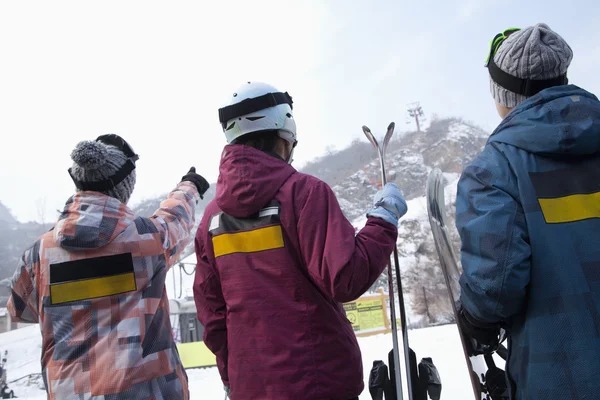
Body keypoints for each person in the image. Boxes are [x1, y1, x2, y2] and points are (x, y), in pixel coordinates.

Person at [193, 81, 408, 400]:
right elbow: (346, 278)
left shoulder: (211, 218)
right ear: (285, 134)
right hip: (320, 382)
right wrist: (383, 220)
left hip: (250, 388)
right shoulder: (305, 194)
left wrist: (231, 376)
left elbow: (212, 313)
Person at [456, 23, 600, 399]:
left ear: (504, 95)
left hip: (561, 375)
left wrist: (475, 319)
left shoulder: (493, 170)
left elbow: (496, 286)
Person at [7, 134, 209, 399]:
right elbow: (177, 216)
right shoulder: (148, 240)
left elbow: (19, 311)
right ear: (124, 187)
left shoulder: (39, 254)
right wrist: (190, 185)